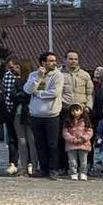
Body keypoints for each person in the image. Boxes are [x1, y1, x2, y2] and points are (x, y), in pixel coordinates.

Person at [23, 52, 65, 180]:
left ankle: (54, 169)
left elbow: (54, 93)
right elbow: (28, 90)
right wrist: (38, 78)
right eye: (51, 61)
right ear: (43, 63)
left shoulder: (58, 75)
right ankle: (44, 169)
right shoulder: (33, 75)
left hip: (51, 114)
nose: (54, 63)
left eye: (54, 60)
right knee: (39, 143)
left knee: (52, 144)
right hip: (36, 114)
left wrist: (39, 94)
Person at [61, 104, 94, 181]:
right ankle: (73, 173)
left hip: (83, 145)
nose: (75, 112)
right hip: (71, 145)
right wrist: (73, 139)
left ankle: (83, 173)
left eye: (77, 110)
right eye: (73, 110)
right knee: (72, 161)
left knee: (83, 161)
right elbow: (65, 133)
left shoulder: (86, 121)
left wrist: (83, 138)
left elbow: (89, 131)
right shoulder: (68, 122)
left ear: (81, 111)